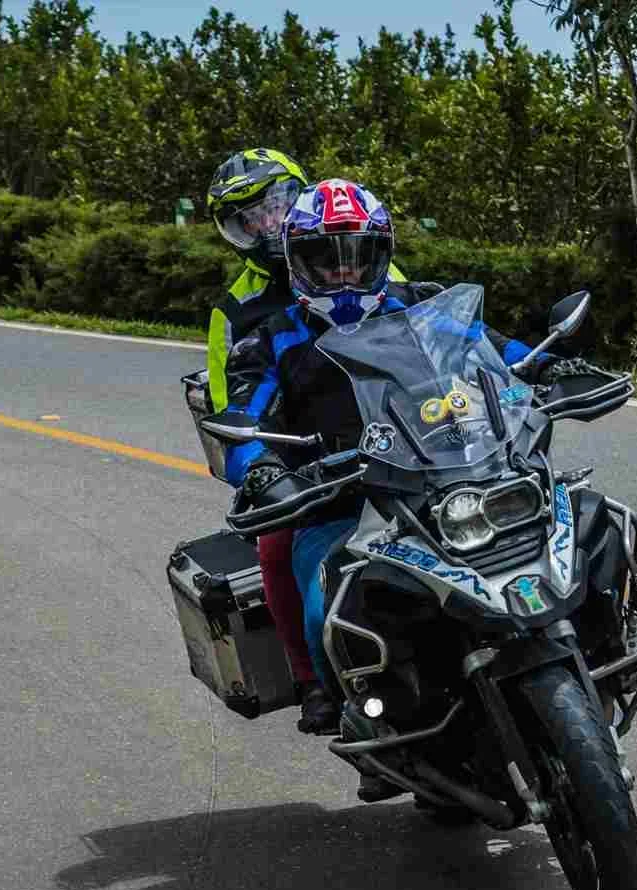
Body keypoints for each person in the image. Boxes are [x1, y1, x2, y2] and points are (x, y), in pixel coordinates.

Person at [227, 178, 549, 801]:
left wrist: (551, 365)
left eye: (359, 255)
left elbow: (502, 351)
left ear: (383, 253)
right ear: (296, 261)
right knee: (329, 610)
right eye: (327, 257)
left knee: (568, 520)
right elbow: (240, 415)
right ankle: (366, 722)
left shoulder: (423, 305)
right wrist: (260, 466)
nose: (345, 273)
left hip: (450, 478)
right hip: (340, 502)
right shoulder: (271, 337)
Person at [203, 148, 336, 735]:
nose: (266, 226)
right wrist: (260, 463)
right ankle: (314, 682)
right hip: (297, 452)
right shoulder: (235, 309)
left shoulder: (354, 253)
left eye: (275, 206)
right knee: (275, 545)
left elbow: (423, 329)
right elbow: (222, 396)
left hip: (395, 428)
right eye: (247, 219)